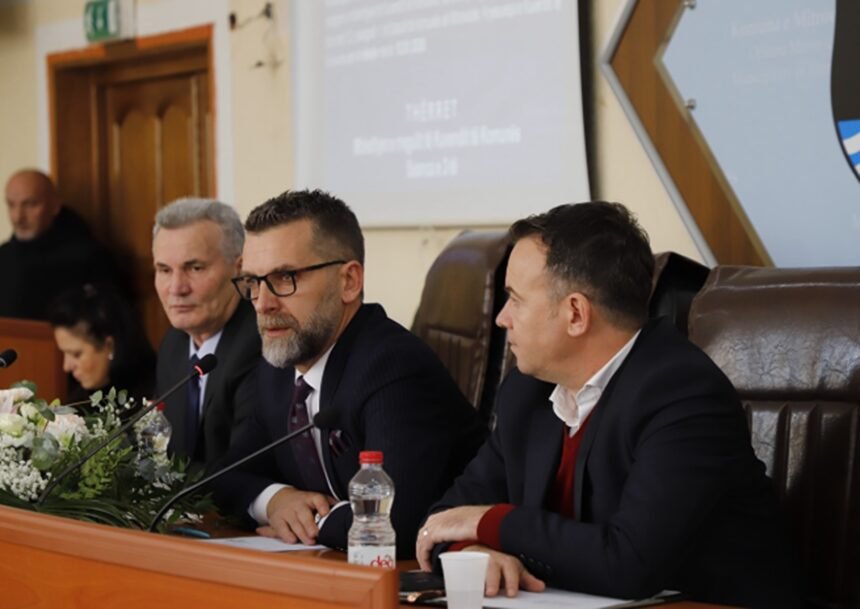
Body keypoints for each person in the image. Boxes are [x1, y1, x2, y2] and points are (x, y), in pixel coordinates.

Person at [415, 202, 800, 609]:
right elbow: (447, 516)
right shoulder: (528, 391)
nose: (502, 318)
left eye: (516, 300)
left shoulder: (683, 394)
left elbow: (629, 563)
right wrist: (472, 552)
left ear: (575, 314)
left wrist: (493, 522)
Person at [212, 189, 485, 558]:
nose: (263, 303)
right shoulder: (279, 365)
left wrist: (313, 521)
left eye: (285, 277)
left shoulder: (392, 365)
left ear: (349, 281)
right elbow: (225, 475)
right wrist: (276, 500)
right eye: (253, 282)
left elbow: (396, 520)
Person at [152, 198, 260, 469]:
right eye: (164, 270)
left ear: (240, 269)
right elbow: (167, 453)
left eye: (195, 268)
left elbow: (242, 468)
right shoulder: (174, 344)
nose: (176, 288)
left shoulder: (261, 343)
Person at [0, 169, 119, 319]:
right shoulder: (4, 256)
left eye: (30, 205)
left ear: (55, 205)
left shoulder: (88, 258)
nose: (18, 217)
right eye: (11, 205)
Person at [48, 283, 156, 408]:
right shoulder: (77, 404)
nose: (66, 367)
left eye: (76, 354)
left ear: (109, 346)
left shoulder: (155, 393)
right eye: (64, 353)